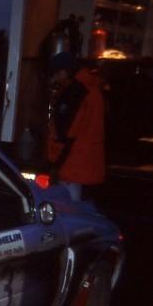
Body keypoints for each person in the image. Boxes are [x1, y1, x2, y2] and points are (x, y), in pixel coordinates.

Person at [46, 51, 106, 201]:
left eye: (56, 73)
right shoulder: (91, 89)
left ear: (65, 72)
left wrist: (54, 163)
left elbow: (66, 133)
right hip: (84, 162)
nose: (55, 78)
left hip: (72, 164)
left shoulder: (74, 93)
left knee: (68, 208)